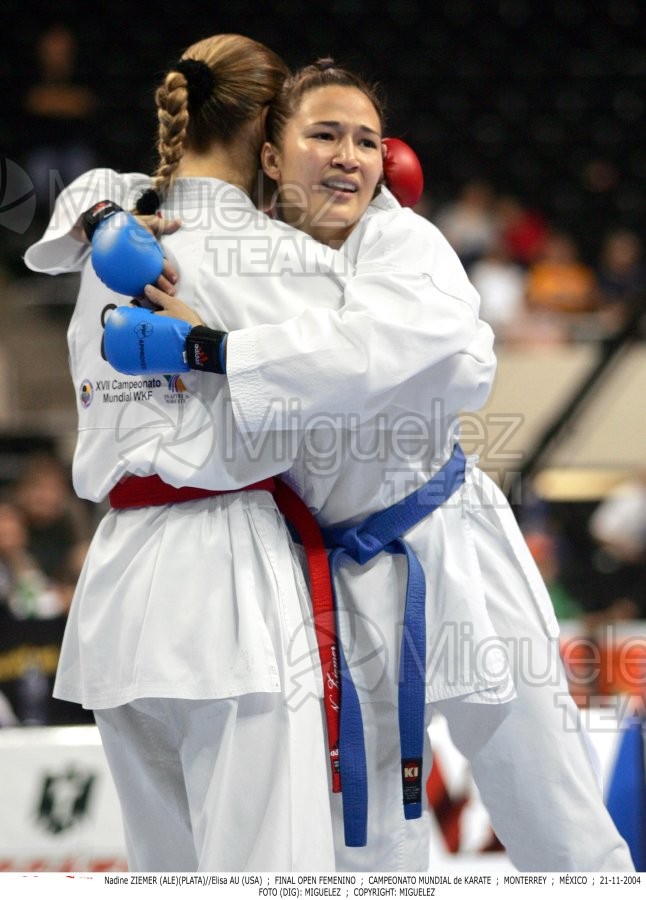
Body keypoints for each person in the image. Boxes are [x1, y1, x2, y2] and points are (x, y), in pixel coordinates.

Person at [139, 61, 634, 872]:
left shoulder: (406, 239)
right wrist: (101, 215)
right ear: (270, 156)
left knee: (558, 818)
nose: (350, 157)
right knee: (368, 848)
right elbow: (387, 362)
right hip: (337, 585)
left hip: (455, 548)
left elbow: (451, 360)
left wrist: (218, 351)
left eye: (367, 140)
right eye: (325, 134)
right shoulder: (240, 255)